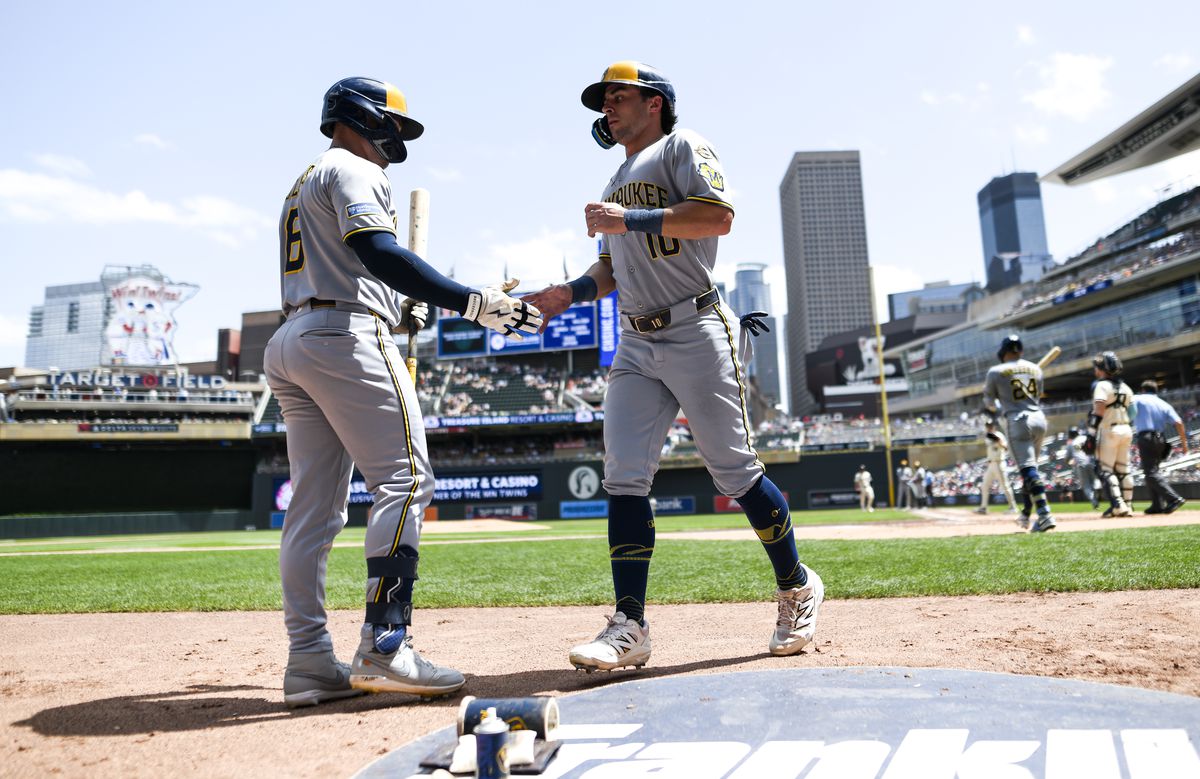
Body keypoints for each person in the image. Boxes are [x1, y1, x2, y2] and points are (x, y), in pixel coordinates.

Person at [524, 61, 823, 670]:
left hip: (695, 326)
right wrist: (564, 295)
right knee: (624, 477)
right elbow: (608, 270)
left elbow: (718, 216)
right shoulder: (613, 179)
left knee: (734, 474)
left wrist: (628, 217)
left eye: (617, 95)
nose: (606, 106)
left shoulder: (684, 145)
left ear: (654, 102)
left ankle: (796, 586)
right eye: (602, 99)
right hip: (636, 339)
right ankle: (629, 625)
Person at [266, 76, 543, 707]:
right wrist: (473, 302)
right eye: (393, 126)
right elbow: (378, 251)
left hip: (296, 335)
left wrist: (399, 307)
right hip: (344, 335)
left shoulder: (305, 179)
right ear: (364, 118)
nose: (397, 139)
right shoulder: (353, 169)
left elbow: (355, 265)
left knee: (314, 510)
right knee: (407, 482)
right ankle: (385, 645)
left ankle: (309, 659)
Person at [982, 335, 1056, 532]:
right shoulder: (1035, 369)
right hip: (1039, 419)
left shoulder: (995, 371)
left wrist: (999, 406)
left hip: (1017, 420)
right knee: (1031, 472)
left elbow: (989, 404)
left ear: (1003, 351)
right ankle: (1026, 513)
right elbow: (1037, 395)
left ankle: (1044, 514)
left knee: (1028, 469)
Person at [1085, 352, 1134, 518]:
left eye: (1097, 367)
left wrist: (1091, 433)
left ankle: (1118, 505)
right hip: (1126, 429)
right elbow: (1133, 412)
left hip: (1109, 430)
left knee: (1106, 470)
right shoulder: (1126, 387)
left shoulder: (1101, 386)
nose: (1095, 370)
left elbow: (1098, 409)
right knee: (1124, 470)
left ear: (1101, 369)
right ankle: (1128, 505)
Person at [1132, 379, 1189, 514]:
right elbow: (1179, 423)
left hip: (1146, 437)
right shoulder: (1164, 403)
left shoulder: (1138, 398)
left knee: (1150, 472)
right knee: (1153, 471)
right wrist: (1184, 444)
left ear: (1143, 390)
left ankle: (1174, 498)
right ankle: (1157, 505)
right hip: (1161, 439)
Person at [975, 419, 1018, 514]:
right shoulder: (988, 436)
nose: (989, 427)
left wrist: (999, 442)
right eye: (987, 426)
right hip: (991, 464)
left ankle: (1013, 507)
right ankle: (983, 507)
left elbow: (1005, 447)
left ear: (994, 426)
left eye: (990, 425)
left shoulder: (999, 435)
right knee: (984, 485)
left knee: (1005, 485)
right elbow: (986, 436)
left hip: (999, 463)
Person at [1064, 426, 1100, 510]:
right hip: (1092, 461)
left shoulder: (1071, 444)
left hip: (1081, 465)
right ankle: (1097, 488)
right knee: (1095, 480)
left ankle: (1094, 502)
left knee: (1086, 486)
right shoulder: (1085, 437)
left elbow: (1067, 459)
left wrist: (1069, 463)